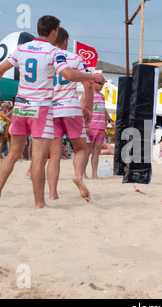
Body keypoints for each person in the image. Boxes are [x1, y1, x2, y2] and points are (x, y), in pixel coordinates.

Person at [0, 15, 105, 209]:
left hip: (21, 106)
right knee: (39, 157)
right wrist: (93, 76)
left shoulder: (22, 48)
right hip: (41, 108)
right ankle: (39, 202)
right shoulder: (53, 52)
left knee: (13, 154)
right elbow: (69, 74)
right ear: (53, 32)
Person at [47, 27, 94, 201]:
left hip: (51, 108)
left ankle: (53, 194)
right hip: (70, 107)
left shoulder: (47, 57)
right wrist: (89, 108)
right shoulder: (75, 58)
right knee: (81, 148)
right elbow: (89, 84)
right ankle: (78, 176)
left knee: (55, 156)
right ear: (65, 41)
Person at [82, 77, 114, 178]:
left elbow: (103, 110)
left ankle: (94, 174)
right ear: (93, 83)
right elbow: (82, 110)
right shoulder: (87, 95)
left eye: (103, 83)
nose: (102, 85)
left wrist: (110, 120)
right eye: (100, 83)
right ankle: (82, 173)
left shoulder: (102, 96)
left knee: (96, 152)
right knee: (87, 152)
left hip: (101, 127)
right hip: (91, 127)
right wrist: (85, 125)